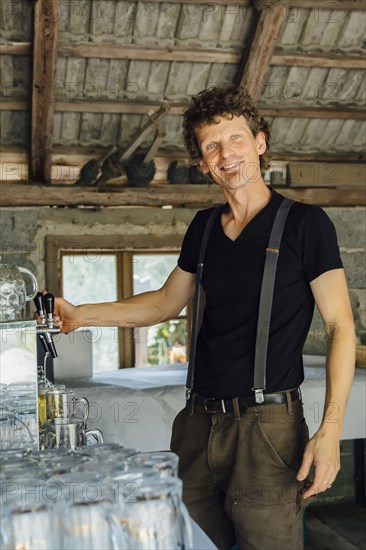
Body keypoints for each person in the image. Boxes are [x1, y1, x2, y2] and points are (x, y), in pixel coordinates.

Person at [49, 86, 355, 550]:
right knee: (185, 542)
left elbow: (339, 327)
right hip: (195, 424)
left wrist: (330, 429)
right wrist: (80, 315)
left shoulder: (306, 225)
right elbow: (164, 304)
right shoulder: (204, 227)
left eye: (235, 138)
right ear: (202, 163)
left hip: (267, 428)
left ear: (260, 141)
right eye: (212, 146)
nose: (226, 154)